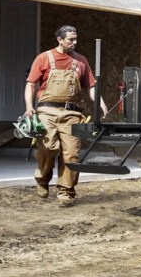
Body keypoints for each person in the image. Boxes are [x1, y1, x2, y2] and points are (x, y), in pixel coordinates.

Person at [24, 25, 108, 207]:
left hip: (72, 113)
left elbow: (91, 86)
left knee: (71, 154)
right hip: (47, 111)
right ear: (60, 40)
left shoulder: (81, 61)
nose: (74, 42)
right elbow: (31, 84)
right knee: (47, 148)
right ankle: (43, 178)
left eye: (76, 39)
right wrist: (29, 107)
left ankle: (66, 192)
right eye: (71, 39)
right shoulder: (44, 58)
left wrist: (100, 103)